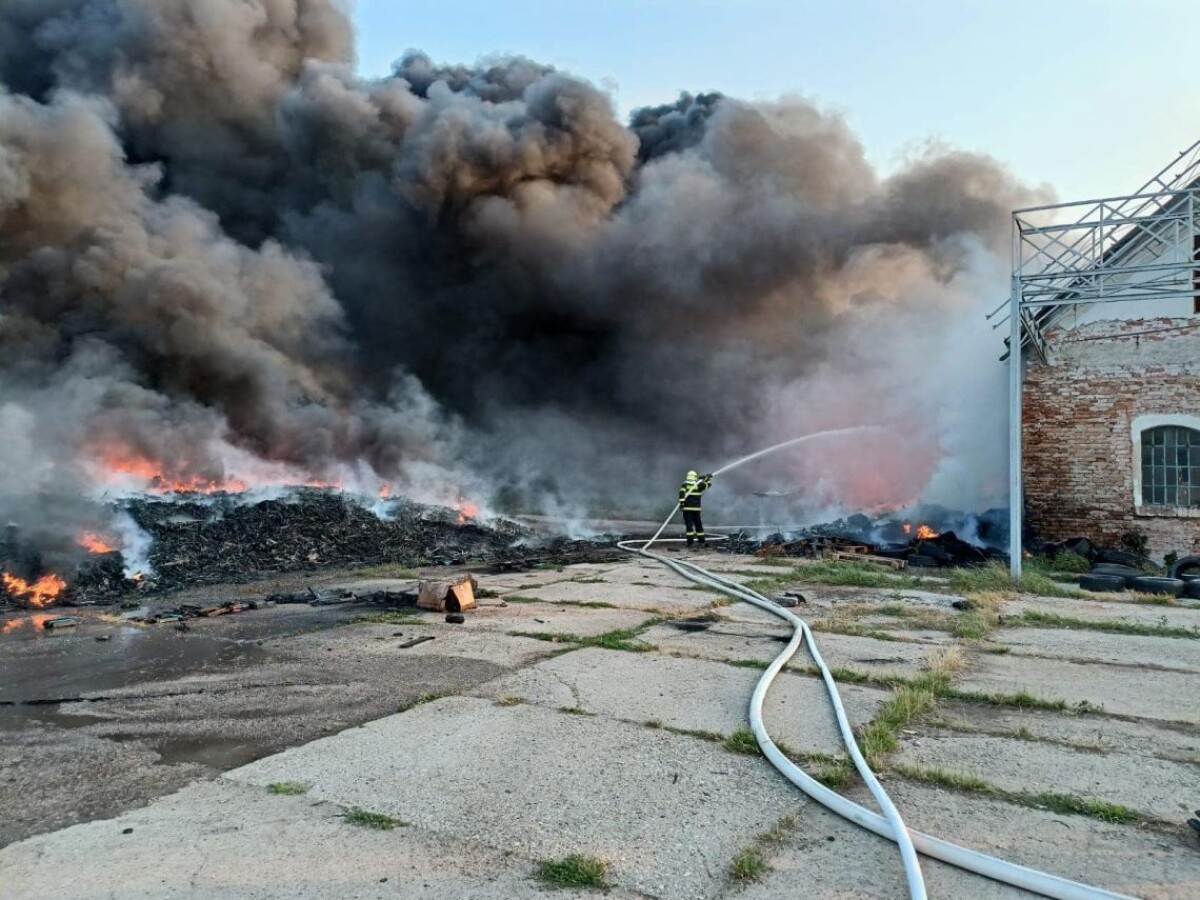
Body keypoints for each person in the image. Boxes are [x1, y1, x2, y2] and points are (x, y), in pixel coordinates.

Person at [678, 470, 714, 547]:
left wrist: (681, 504)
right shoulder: (699, 484)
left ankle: (690, 542)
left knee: (689, 525)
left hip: (687, 509)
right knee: (698, 525)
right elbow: (708, 485)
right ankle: (701, 541)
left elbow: (681, 494)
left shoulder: (685, 484)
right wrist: (707, 478)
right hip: (696, 509)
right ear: (695, 477)